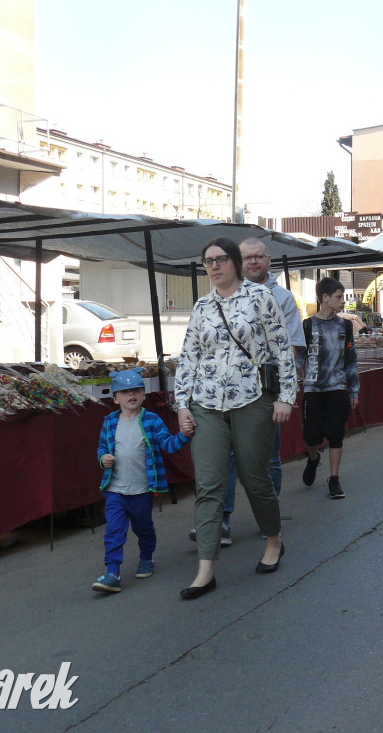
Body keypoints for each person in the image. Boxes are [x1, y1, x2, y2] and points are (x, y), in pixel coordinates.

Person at [175, 237, 297, 599]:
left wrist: (286, 397)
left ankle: (273, 540)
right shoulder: (201, 307)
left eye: (221, 259)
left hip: (253, 399)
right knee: (209, 484)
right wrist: (183, 403)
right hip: (207, 404)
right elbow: (189, 357)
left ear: (235, 263)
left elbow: (282, 348)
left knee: (254, 476)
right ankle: (205, 569)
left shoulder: (261, 298)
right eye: (208, 261)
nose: (214, 266)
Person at [92, 368, 190, 594]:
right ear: (115, 399)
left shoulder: (152, 420)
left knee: (143, 528)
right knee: (114, 531)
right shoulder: (109, 422)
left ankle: (147, 558)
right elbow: (102, 448)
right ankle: (113, 573)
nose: (131, 395)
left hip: (141, 490)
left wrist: (184, 435)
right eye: (125, 392)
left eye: (136, 390)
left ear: (144, 395)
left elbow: (168, 445)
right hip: (115, 490)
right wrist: (103, 458)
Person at [300, 277, 360, 499]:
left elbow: (351, 359)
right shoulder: (307, 325)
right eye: (338, 297)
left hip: (338, 388)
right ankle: (313, 458)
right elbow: (299, 358)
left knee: (336, 433)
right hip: (313, 389)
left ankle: (334, 479)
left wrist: (353, 391)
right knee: (311, 435)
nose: (342, 301)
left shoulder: (345, 325)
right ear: (325, 298)